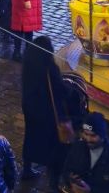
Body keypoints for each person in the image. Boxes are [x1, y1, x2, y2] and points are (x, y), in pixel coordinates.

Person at [20, 34, 68, 188]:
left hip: (30, 108)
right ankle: (52, 177)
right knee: (51, 142)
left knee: (30, 136)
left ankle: (27, 168)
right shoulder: (49, 68)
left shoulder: (28, 65)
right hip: (47, 112)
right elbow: (58, 89)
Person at [60, 112, 109, 193]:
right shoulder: (77, 148)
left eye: (93, 136)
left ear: (102, 135)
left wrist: (91, 191)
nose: (88, 139)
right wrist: (70, 179)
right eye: (86, 134)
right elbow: (66, 170)